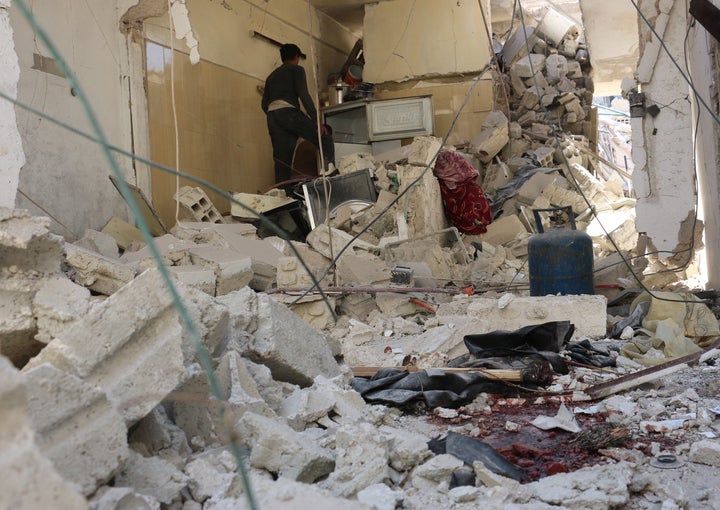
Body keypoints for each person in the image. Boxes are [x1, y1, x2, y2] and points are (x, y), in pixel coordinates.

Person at [261, 43, 335, 185]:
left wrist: (275, 115)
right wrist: (317, 122)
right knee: (324, 139)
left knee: (282, 161)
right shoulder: (297, 70)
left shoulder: (271, 76)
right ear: (297, 57)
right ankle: (330, 179)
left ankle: (284, 197)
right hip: (288, 112)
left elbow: (264, 104)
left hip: (272, 117)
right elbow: (304, 96)